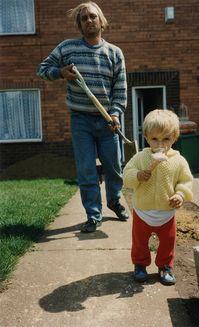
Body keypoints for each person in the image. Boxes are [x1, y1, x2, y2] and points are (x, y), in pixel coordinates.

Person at [37, 1, 129, 233]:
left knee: (115, 166)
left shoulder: (114, 53)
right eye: (84, 18)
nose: (89, 20)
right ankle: (93, 215)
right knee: (87, 168)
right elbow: (42, 69)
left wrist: (116, 113)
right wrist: (59, 73)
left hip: (108, 120)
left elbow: (120, 89)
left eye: (93, 16)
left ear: (101, 20)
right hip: (81, 120)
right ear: (79, 24)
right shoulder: (67, 48)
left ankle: (114, 201)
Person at [123, 109, 193, 285]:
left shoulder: (179, 161)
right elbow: (127, 174)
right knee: (139, 241)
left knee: (168, 242)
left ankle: (165, 266)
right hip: (142, 211)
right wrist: (138, 175)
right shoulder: (140, 158)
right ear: (146, 137)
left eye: (166, 139)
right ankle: (140, 264)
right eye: (155, 139)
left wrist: (180, 194)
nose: (160, 144)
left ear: (175, 137)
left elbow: (185, 181)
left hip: (166, 212)